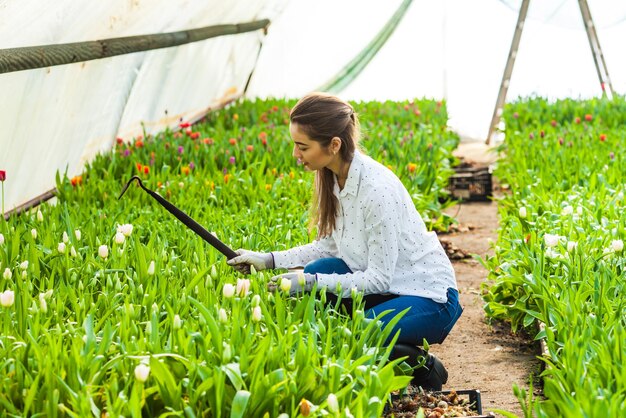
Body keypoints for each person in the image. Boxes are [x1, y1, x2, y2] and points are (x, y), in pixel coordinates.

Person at [227, 92, 462, 391]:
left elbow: (377, 279)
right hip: (392, 287)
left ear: (334, 145)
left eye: (303, 147)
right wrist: (267, 260)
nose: (296, 155)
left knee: (361, 331)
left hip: (430, 297)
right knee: (323, 266)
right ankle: (378, 360)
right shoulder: (334, 176)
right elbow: (328, 246)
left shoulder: (376, 191)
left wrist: (310, 281)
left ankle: (424, 368)